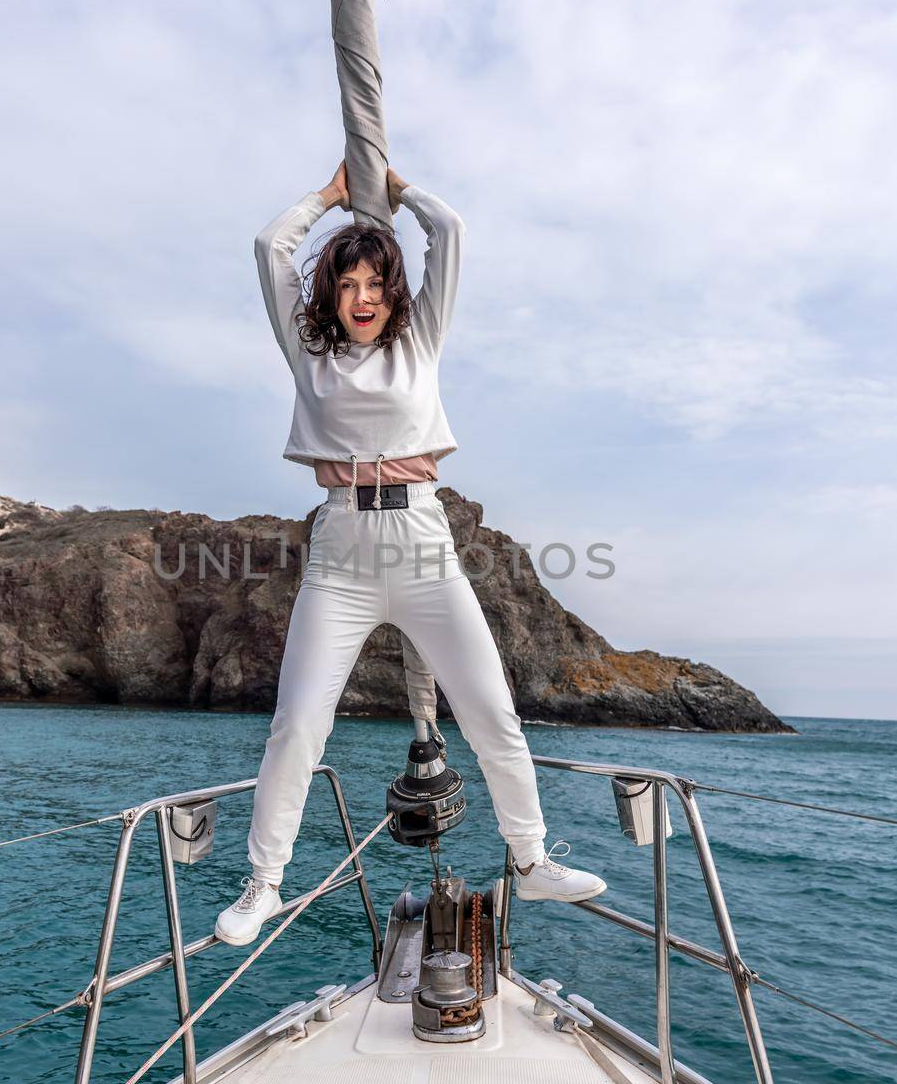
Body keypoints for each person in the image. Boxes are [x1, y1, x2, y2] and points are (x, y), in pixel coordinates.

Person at [215, 160, 606, 945]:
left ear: (395, 294)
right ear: (330, 293)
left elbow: (449, 232)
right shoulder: (309, 353)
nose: (362, 297)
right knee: (297, 724)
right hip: (340, 551)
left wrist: (398, 191)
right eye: (348, 283)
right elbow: (268, 248)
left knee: (493, 712)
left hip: (424, 544)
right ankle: (263, 884)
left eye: (375, 284)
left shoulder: (420, 342)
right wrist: (327, 197)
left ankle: (528, 864)